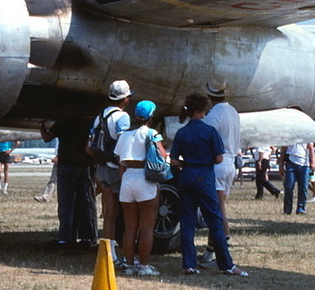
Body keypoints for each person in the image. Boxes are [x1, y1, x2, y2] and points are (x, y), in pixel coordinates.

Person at [170, 93, 246, 276]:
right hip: (204, 175)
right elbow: (219, 158)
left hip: (186, 175)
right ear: (200, 111)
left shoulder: (182, 132)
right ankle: (226, 264)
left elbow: (173, 160)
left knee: (187, 222)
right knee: (214, 220)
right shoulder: (210, 132)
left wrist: (185, 164)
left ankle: (189, 264)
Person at [115, 100, 167, 276]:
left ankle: (129, 264)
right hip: (145, 179)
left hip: (128, 178)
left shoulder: (124, 135)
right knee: (146, 227)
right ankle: (144, 265)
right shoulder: (152, 134)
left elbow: (120, 161)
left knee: (130, 227)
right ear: (151, 117)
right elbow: (162, 155)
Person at [41, 115, 98, 248]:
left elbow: (47, 138)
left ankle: (65, 238)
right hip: (85, 165)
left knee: (66, 203)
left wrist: (42, 126)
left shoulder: (64, 122)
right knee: (87, 202)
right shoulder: (88, 122)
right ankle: (88, 237)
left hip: (67, 165)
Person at [90, 80, 132, 258]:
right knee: (129, 212)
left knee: (109, 213)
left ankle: (109, 251)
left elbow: (90, 142)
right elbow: (124, 143)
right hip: (117, 168)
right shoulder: (123, 117)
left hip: (102, 167)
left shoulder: (100, 115)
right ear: (125, 99)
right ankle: (125, 253)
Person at [202, 80, 241, 262]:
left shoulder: (213, 115)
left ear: (210, 96)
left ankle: (220, 251)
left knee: (217, 210)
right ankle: (211, 250)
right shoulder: (233, 112)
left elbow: (208, 141)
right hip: (230, 163)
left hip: (218, 164)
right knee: (218, 207)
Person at [281, 140, 314, 216]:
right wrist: (281, 165)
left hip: (304, 164)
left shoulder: (307, 136)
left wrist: (312, 162)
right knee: (288, 186)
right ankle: (287, 209)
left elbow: (311, 148)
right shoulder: (289, 136)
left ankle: (301, 208)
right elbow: (283, 149)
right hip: (291, 162)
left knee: (303, 187)